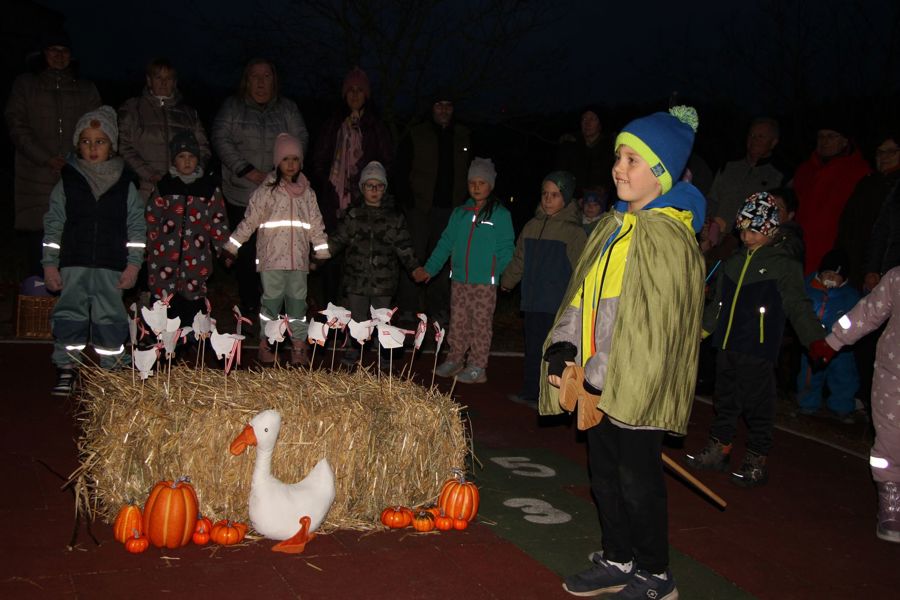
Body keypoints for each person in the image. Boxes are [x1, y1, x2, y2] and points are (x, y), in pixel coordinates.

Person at [541, 106, 706, 599]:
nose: (619, 168)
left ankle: (656, 574)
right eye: (618, 157)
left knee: (638, 481)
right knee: (605, 477)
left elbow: (650, 327)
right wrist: (564, 344)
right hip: (598, 382)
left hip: (636, 384)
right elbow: (583, 296)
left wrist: (600, 372)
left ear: (661, 174)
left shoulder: (668, 239)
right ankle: (619, 558)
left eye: (633, 160)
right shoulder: (613, 228)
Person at [687, 192, 827, 487]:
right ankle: (720, 448)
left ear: (771, 229)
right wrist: (701, 331)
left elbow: (798, 305)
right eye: (742, 230)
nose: (746, 237)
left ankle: (756, 458)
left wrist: (815, 339)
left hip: (758, 347)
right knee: (724, 398)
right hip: (727, 344)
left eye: (753, 231)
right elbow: (718, 304)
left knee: (758, 404)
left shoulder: (783, 264)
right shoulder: (733, 262)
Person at [41, 106, 146, 395]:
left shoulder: (126, 184)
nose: (92, 147)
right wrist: (49, 264)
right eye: (85, 141)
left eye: (100, 141)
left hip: (111, 266)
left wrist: (133, 264)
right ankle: (67, 367)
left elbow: (137, 228)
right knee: (69, 316)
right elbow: (53, 224)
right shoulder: (68, 181)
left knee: (110, 320)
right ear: (78, 145)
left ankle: (112, 371)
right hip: (73, 264)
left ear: (112, 146)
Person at [212, 58, 309, 318]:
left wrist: (282, 174)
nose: (260, 82)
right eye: (255, 76)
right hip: (241, 193)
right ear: (246, 80)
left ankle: (278, 308)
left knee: (277, 254)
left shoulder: (288, 109)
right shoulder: (232, 107)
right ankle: (249, 305)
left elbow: (300, 139)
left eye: (266, 76)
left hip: (281, 199)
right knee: (246, 255)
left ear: (274, 80)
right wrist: (248, 170)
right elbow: (220, 138)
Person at [810, 266, 900, 543]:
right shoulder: (897, 277)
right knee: (890, 439)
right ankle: (891, 499)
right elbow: (868, 310)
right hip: (894, 375)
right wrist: (833, 340)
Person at [222, 134, 327, 367]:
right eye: (285, 159)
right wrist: (232, 247)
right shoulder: (266, 192)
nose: (291, 164)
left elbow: (316, 224)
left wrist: (320, 251)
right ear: (277, 162)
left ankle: (298, 346)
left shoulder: (307, 193)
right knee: (271, 304)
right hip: (272, 260)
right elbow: (249, 221)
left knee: (298, 305)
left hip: (298, 261)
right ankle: (267, 345)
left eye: (295, 159)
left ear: (301, 162)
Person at [5, 31, 101, 276]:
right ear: (43, 53)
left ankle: (70, 294)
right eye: (53, 50)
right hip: (34, 175)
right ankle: (36, 295)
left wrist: (77, 159)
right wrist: (45, 158)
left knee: (73, 238)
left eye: (64, 51)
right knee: (39, 241)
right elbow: (16, 125)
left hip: (76, 174)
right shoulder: (26, 84)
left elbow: (97, 126)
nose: (59, 56)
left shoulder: (85, 88)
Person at [325, 161, 428, 367]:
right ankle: (355, 348)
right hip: (356, 281)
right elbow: (336, 241)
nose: (374, 190)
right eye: (369, 185)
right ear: (362, 188)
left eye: (379, 186)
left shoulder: (394, 218)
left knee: (382, 318)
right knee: (357, 318)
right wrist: (316, 257)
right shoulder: (353, 215)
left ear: (385, 188)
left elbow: (404, 246)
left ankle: (384, 351)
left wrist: (415, 268)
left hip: (384, 281)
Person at [423, 157, 514, 384]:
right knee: (458, 322)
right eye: (472, 182)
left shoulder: (500, 214)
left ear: (490, 185)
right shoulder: (460, 213)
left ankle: (477, 366)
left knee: (480, 325)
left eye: (481, 182)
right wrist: (429, 269)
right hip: (459, 280)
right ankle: (455, 358)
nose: (476, 187)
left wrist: (506, 276)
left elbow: (506, 248)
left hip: (485, 283)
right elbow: (445, 243)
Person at [500, 171, 586, 405]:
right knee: (532, 349)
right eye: (545, 194)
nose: (548, 199)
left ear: (566, 198)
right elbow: (519, 258)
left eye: (555, 195)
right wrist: (507, 281)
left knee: (553, 352)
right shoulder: (531, 226)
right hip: (532, 301)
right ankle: (531, 391)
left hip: (557, 304)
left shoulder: (573, 232)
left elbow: (582, 269)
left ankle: (553, 399)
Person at [393, 93, 471, 326]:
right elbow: (400, 169)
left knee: (443, 260)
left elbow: (472, 170)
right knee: (414, 257)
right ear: (432, 107)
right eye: (439, 104)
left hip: (451, 210)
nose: (444, 109)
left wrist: (466, 202)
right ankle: (407, 308)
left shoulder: (464, 135)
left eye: (448, 105)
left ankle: (438, 309)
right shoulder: (417, 133)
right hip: (419, 208)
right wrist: (407, 201)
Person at [145, 131, 230, 329]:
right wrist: (149, 245)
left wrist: (224, 249)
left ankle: (193, 335)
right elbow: (151, 217)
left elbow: (218, 221)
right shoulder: (164, 186)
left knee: (193, 297)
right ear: (174, 160)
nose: (187, 161)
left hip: (196, 256)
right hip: (164, 256)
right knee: (163, 298)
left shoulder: (208, 188)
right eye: (182, 156)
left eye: (191, 156)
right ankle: (161, 335)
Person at [312, 67, 394, 231]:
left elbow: (388, 161)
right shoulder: (333, 124)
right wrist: (328, 184)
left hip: (367, 200)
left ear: (366, 95)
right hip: (334, 200)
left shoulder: (376, 126)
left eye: (359, 90)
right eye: (350, 90)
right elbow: (319, 160)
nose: (355, 94)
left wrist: (373, 187)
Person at [118, 58, 211, 201]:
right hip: (145, 189)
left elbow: (203, 149)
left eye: (168, 78)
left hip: (182, 189)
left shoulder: (189, 114)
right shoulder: (132, 109)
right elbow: (123, 147)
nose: (163, 82)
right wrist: (150, 175)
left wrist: (192, 173)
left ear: (174, 82)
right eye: (158, 77)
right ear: (149, 80)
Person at [793, 120, 871, 275]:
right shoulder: (805, 169)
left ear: (845, 141)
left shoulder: (859, 171)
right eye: (821, 136)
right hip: (800, 244)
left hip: (835, 245)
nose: (824, 141)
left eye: (831, 136)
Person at [795, 249, 860, 421]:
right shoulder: (808, 288)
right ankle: (807, 403)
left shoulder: (850, 296)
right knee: (809, 375)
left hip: (841, 347)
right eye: (827, 273)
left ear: (844, 278)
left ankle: (843, 406)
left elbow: (862, 315)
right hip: (814, 343)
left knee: (844, 377)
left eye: (836, 275)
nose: (831, 277)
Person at [836, 133, 900, 292]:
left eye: (891, 152)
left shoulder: (896, 188)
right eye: (880, 152)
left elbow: (887, 232)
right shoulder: (867, 183)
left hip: (888, 269)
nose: (884, 157)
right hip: (859, 265)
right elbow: (848, 225)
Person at [705, 117, 785, 244]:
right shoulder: (729, 167)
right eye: (751, 135)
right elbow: (711, 200)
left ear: (773, 142)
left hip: (749, 244)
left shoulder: (779, 177)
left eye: (761, 136)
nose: (754, 140)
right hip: (714, 240)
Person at [556, 106, 614, 196]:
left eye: (592, 119)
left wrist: (605, 189)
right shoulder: (569, 146)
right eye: (584, 119)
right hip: (573, 199)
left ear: (600, 124)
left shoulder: (610, 148)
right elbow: (560, 176)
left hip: (601, 199)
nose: (587, 123)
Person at [769, 187, 804, 263]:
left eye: (777, 209)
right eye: (766, 207)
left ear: (790, 215)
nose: (770, 212)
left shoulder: (790, 243)